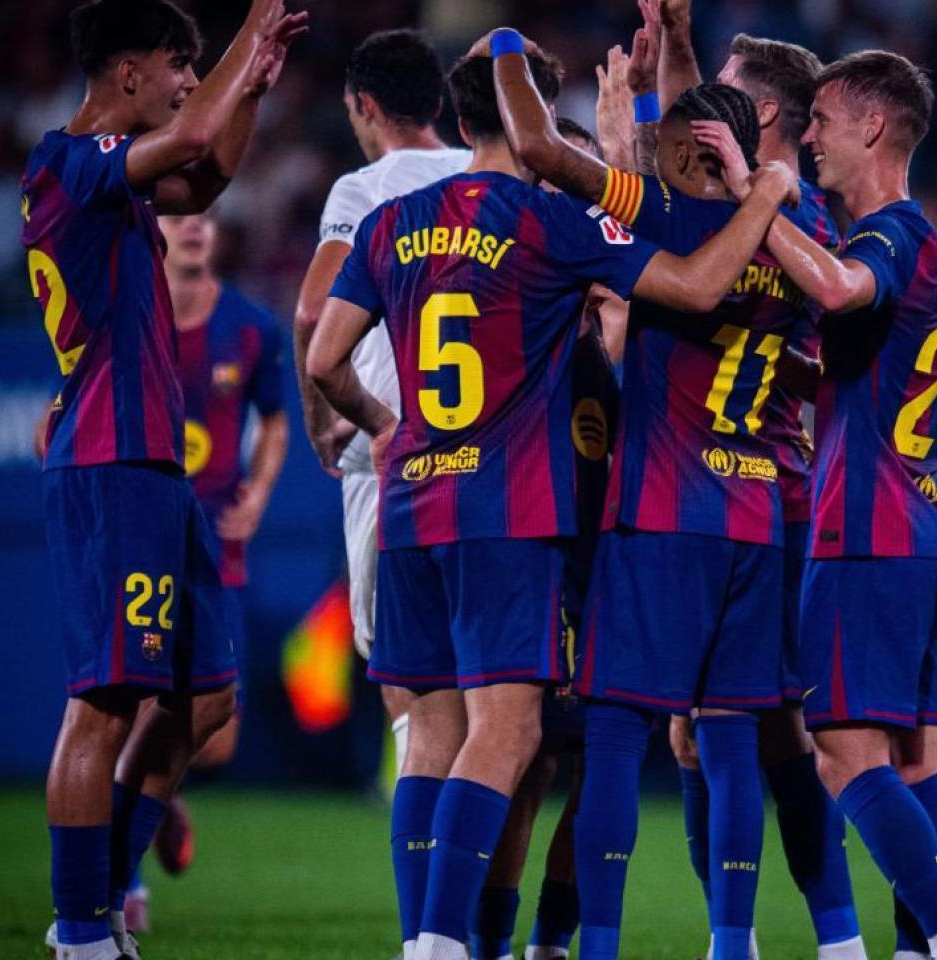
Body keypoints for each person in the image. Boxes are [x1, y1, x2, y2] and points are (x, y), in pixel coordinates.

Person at [306, 29, 796, 960]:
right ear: (535, 124)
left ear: (458, 121)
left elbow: (325, 357)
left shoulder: (389, 223)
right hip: (509, 510)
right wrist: (766, 194)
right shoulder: (546, 224)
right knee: (514, 728)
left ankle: (432, 935)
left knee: (431, 730)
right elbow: (692, 286)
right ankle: (448, 944)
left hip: (413, 507)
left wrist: (384, 427)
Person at [492, 21, 809, 960]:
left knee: (619, 741)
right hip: (753, 517)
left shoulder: (663, 221)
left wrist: (511, 45)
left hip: (658, 515)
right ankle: (739, 942)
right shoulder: (802, 237)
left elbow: (545, 150)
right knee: (731, 743)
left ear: (680, 154)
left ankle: (591, 948)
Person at [21, 1, 305, 958]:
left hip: (153, 468)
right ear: (126, 71)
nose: (191, 80)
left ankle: (100, 899)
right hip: (111, 461)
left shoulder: (118, 184)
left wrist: (251, 89)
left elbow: (207, 172)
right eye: (178, 62)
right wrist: (250, 27)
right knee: (103, 702)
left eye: (198, 64)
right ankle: (80, 932)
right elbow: (189, 133)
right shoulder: (67, 162)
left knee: (208, 697)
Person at [709, 50, 937, 960]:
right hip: (920, 524)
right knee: (915, 764)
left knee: (837, 748)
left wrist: (755, 195)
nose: (812, 137)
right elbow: (844, 368)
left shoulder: (887, 236)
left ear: (874, 126)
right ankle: (918, 949)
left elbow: (832, 286)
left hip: (863, 528)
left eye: (824, 120)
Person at [647, 5, 863, 956]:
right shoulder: (784, 216)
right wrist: (679, 47)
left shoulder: (763, 215)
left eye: (724, 95)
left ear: (761, 117)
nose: (702, 111)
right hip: (771, 490)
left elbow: (680, 173)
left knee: (734, 730)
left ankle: (743, 938)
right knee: (745, 733)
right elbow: (688, 147)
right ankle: (836, 937)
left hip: (738, 493)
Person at [289, 28, 470, 952]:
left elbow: (315, 310)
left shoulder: (360, 193)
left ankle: (428, 933)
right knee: (500, 712)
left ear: (363, 105)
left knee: (412, 700)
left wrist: (332, 420)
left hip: (389, 461)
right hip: (493, 462)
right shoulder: (484, 169)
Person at [471, 117, 621, 960]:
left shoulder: (599, 304)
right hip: (540, 557)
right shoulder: (523, 309)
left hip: (610, 562)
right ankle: (495, 942)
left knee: (596, 759)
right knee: (529, 759)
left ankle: (548, 941)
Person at [115, 210, 289, 931]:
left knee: (215, 732)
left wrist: (259, 489)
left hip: (217, 544)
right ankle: (122, 887)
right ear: (154, 231)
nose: (195, 227)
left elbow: (276, 420)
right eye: (179, 216)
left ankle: (160, 801)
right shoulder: (128, 315)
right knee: (127, 709)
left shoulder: (250, 328)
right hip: (142, 538)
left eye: (207, 216)